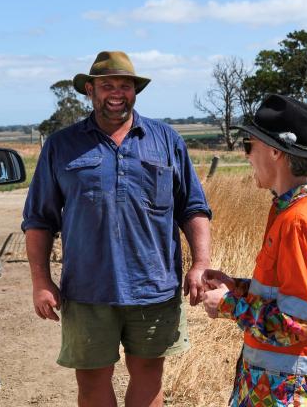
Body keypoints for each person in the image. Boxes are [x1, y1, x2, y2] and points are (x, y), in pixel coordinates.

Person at [22, 51, 212, 407]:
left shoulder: (166, 139)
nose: (116, 93)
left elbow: (194, 207)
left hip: (154, 287)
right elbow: (39, 219)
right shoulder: (62, 145)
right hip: (87, 289)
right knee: (92, 382)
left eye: (124, 85)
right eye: (107, 85)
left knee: (149, 376)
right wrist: (40, 280)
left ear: (135, 91)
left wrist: (200, 264)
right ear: (90, 90)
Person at [202, 94, 307, 407]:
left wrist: (228, 304)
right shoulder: (292, 211)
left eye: (249, 146)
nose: (246, 156)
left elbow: (298, 323)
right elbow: (289, 294)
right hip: (280, 384)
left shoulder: (301, 221)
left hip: (291, 390)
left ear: (274, 152)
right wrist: (239, 288)